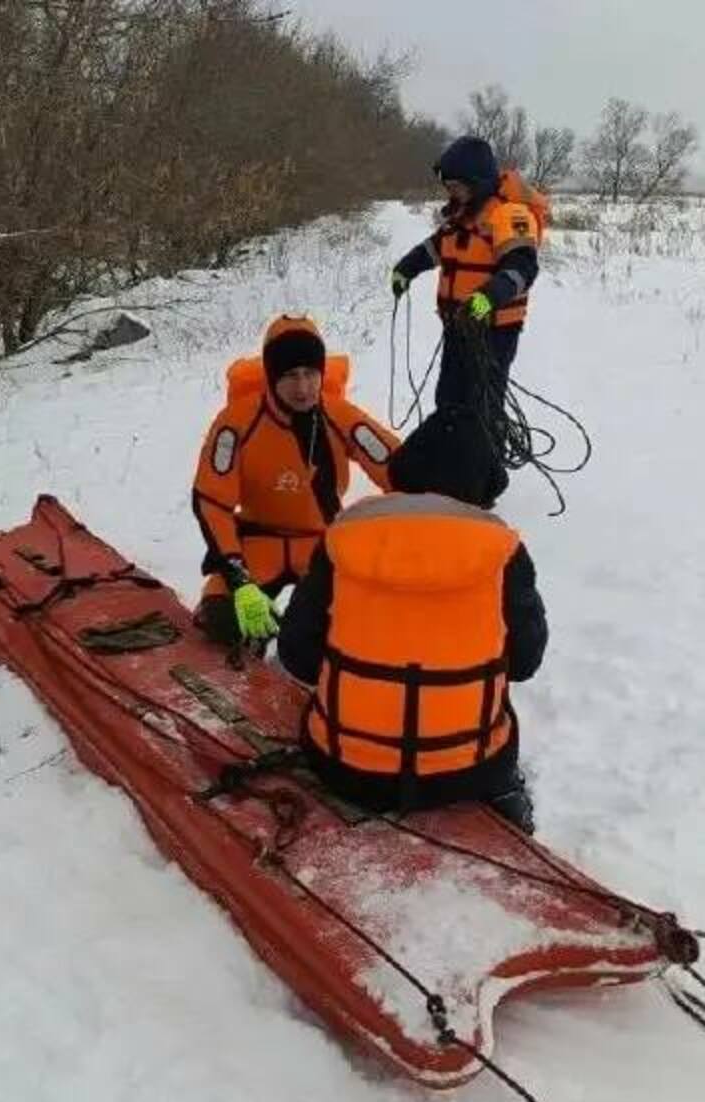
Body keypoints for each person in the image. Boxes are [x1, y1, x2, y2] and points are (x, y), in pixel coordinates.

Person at [275, 427, 548, 832]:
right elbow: (525, 661)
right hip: (472, 772)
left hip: (345, 768)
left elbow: (297, 655)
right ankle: (505, 797)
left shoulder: (342, 539)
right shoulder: (504, 553)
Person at [191, 315, 400, 647]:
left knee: (345, 628)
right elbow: (211, 501)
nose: (302, 388)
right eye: (289, 375)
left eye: (310, 373)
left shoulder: (339, 416)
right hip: (257, 543)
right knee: (222, 622)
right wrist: (239, 580)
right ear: (272, 376)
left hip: (319, 544)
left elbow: (399, 471)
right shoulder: (236, 423)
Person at [389, 136, 544, 506]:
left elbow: (523, 268)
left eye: (457, 185)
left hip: (494, 332)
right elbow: (433, 249)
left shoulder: (509, 215)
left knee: (481, 407)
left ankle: (483, 484)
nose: (452, 192)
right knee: (449, 399)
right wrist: (406, 269)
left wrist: (486, 299)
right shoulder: (461, 217)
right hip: (459, 327)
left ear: (478, 182)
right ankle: (450, 472)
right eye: (449, 186)